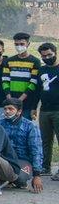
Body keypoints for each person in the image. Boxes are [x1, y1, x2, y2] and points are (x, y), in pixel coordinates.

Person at [0, 98, 44, 193]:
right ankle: (2, 180)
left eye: (10, 109)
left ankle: (15, 181)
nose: (7, 111)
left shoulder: (30, 126)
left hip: (22, 160)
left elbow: (36, 150)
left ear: (19, 111)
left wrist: (37, 175)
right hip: (4, 159)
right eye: (5, 109)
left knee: (20, 178)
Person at [3, 32, 41, 120]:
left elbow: (33, 82)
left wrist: (20, 99)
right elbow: (5, 80)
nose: (19, 46)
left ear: (28, 44)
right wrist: (9, 98)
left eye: (22, 44)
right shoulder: (9, 61)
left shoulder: (35, 61)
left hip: (26, 103)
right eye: (16, 44)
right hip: (10, 102)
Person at [36, 42, 59, 179]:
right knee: (45, 140)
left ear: (55, 53)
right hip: (44, 110)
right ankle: (45, 166)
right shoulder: (42, 70)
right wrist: (34, 108)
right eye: (44, 56)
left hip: (58, 110)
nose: (47, 57)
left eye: (49, 55)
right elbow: (38, 90)